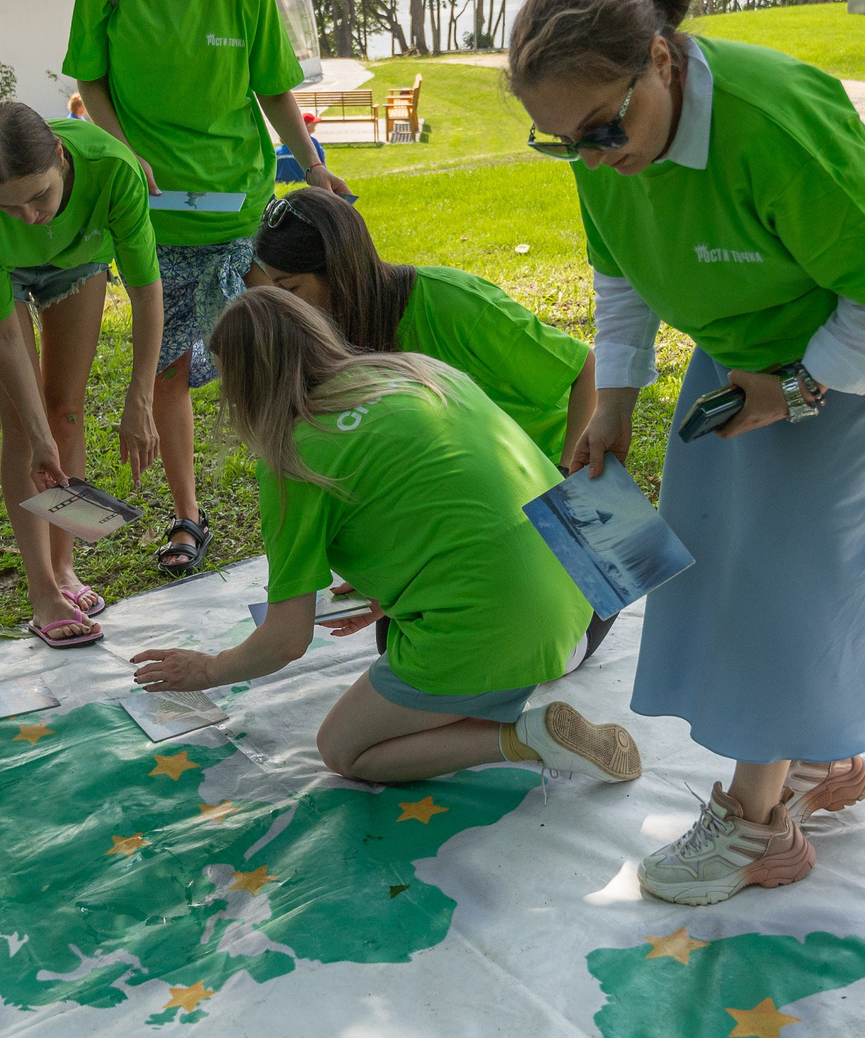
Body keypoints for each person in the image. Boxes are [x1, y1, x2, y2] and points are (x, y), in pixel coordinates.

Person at [503, 0, 865, 908]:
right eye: (561, 144)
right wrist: (615, 403)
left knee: (791, 568)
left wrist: (798, 386)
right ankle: (821, 759)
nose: (590, 156)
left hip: (853, 339)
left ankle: (759, 827)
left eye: (602, 130)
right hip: (740, 340)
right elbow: (621, 274)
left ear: (661, 61)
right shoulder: (605, 143)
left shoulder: (773, 123)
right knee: (719, 544)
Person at [131, 288, 642, 786]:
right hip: (595, 587)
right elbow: (462, 496)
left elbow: (285, 640)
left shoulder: (293, 458)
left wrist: (207, 670)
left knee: (345, 750)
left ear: (244, 385)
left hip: (517, 624)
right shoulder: (416, 371)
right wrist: (397, 589)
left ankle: (525, 737)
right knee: (395, 644)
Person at [65, 0, 349, 579]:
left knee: (280, 348)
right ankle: (188, 515)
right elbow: (88, 75)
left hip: (240, 198)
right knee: (168, 362)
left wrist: (314, 171)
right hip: (151, 208)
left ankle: (317, 495)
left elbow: (275, 92)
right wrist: (124, 153)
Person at [0, 99, 164, 649]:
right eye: (9, 206)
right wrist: (38, 438)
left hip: (79, 260)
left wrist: (140, 399)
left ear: (62, 159)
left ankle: (66, 568)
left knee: (66, 410)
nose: (29, 216)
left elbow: (146, 292)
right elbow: (3, 336)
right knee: (25, 427)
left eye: (39, 196)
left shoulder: (114, 171)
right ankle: (43, 589)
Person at [247, 186, 593, 469]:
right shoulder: (328, 332)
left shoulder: (451, 300)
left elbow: (585, 370)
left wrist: (567, 478)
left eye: (291, 290)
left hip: (539, 464)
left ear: (338, 271)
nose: (285, 308)